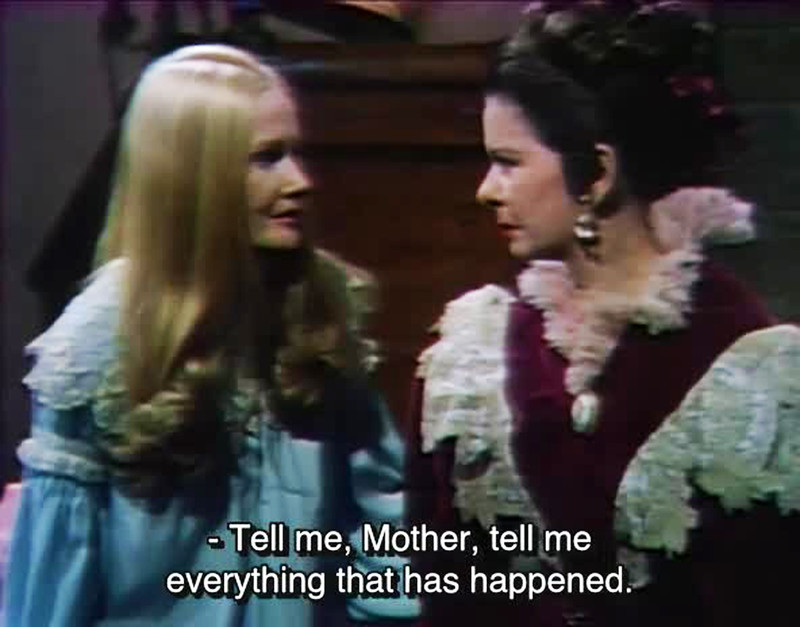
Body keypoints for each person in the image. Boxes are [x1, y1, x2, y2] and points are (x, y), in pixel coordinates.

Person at [409, 2, 800, 626]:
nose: (486, 190)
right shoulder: (476, 353)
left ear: (595, 174)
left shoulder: (747, 359)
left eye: (508, 162)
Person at [5, 44, 419, 626]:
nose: (301, 181)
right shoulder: (95, 349)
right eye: (267, 158)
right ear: (195, 180)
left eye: (297, 153)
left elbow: (383, 529)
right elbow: (55, 590)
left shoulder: (313, 308)